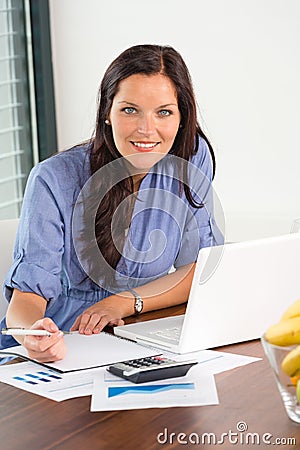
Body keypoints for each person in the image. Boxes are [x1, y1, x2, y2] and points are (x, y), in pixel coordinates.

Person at [0, 44, 222, 363]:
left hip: (137, 343)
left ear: (182, 117)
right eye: (130, 110)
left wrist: (122, 303)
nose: (147, 130)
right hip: (63, 351)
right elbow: (25, 300)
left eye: (164, 112)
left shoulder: (190, 158)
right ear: (107, 112)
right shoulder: (53, 179)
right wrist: (33, 335)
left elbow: (199, 271)